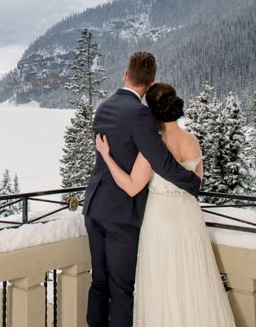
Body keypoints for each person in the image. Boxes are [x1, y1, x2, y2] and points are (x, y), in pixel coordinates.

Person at [96, 83, 236, 326]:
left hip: (160, 219)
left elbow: (131, 186)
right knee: (193, 279)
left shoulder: (153, 146)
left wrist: (106, 156)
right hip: (190, 218)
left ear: (151, 111)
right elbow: (197, 181)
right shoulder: (192, 140)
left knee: (162, 282)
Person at [82, 52, 201, 327]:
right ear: (151, 82)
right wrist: (192, 183)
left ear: (125, 74)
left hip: (94, 208)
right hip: (121, 214)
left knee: (99, 282)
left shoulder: (104, 106)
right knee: (121, 289)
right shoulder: (141, 115)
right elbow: (162, 162)